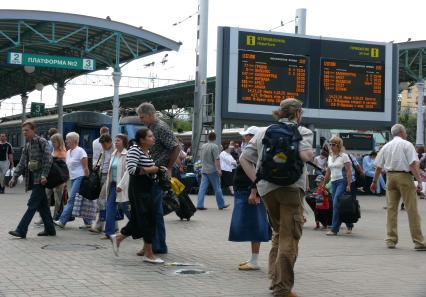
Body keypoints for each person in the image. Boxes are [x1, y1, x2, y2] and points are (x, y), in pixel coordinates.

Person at [239, 98, 313, 297]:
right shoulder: (302, 131)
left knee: (278, 234)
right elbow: (306, 156)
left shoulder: (263, 132)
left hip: (267, 190)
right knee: (290, 236)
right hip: (290, 189)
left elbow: (244, 158)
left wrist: (257, 181)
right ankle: (282, 289)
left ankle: (275, 279)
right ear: (297, 113)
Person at [110, 128, 165, 264]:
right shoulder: (135, 150)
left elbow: (146, 169)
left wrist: (158, 170)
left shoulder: (146, 151)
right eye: (150, 136)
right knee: (147, 220)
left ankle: (118, 238)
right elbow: (132, 170)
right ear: (142, 140)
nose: (153, 138)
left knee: (140, 219)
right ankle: (148, 253)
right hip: (138, 190)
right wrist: (153, 169)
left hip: (147, 188)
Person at [370, 124, 426, 250]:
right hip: (404, 177)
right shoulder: (407, 144)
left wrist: (374, 182)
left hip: (390, 178)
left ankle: (391, 240)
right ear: (402, 132)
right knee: (412, 210)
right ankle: (419, 241)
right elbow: (412, 164)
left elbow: (378, 166)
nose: (406, 134)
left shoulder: (386, 146)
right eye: (405, 132)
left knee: (391, 210)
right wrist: (419, 181)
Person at [137, 102, 180, 254]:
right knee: (152, 210)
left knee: (154, 210)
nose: (141, 120)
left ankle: (157, 245)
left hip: (158, 174)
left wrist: (168, 167)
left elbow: (175, 147)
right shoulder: (150, 128)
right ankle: (152, 244)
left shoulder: (161, 127)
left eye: (142, 117)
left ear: (150, 114)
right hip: (151, 173)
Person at [228, 126, 272, 271]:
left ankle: (254, 260)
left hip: (250, 193)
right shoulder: (251, 151)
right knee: (253, 225)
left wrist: (255, 192)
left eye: (246, 136)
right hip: (245, 192)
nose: (244, 138)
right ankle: (253, 258)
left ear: (252, 137)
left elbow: (258, 174)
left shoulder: (255, 152)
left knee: (256, 225)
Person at [8, 121, 56, 238]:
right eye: (23, 130)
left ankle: (21, 230)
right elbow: (22, 162)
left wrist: (44, 175)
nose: (24, 132)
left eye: (27, 130)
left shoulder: (42, 142)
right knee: (43, 206)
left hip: (41, 180)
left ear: (34, 130)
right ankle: (50, 229)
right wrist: (14, 177)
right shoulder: (28, 145)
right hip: (33, 180)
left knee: (32, 205)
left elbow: (48, 159)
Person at [54, 132, 91, 228]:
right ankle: (88, 223)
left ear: (74, 140)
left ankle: (62, 221)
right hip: (73, 178)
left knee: (72, 200)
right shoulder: (68, 152)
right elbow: (68, 168)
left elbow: (86, 168)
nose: (66, 141)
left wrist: (87, 182)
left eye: (67, 139)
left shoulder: (81, 151)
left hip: (81, 178)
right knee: (81, 200)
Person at [103, 134, 131, 239]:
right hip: (113, 185)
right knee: (109, 208)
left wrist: (121, 185)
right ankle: (109, 233)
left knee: (127, 210)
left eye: (118, 140)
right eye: (115, 140)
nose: (116, 142)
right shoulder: (114, 153)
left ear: (124, 142)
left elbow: (128, 172)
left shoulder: (127, 155)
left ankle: (139, 227)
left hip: (123, 186)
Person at [324, 136, 353, 236]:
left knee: (336, 203)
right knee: (338, 205)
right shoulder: (330, 156)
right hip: (333, 182)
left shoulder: (344, 156)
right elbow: (328, 171)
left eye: (334, 144)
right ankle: (349, 223)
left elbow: (349, 171)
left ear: (338, 145)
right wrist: (323, 184)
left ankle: (334, 229)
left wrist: (349, 184)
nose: (331, 146)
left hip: (342, 181)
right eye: (330, 144)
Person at [196, 132, 229, 210]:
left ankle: (199, 205)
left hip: (204, 169)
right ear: (215, 138)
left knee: (202, 188)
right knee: (217, 188)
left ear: (208, 138)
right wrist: (219, 169)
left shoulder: (203, 146)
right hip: (213, 170)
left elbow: (201, 158)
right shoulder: (214, 146)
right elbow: (216, 159)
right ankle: (221, 205)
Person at [90, 133, 114, 233]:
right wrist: (97, 165)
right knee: (109, 202)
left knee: (101, 200)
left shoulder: (115, 150)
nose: (103, 147)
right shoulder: (103, 150)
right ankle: (113, 225)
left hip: (110, 177)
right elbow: (102, 161)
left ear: (109, 142)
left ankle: (100, 225)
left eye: (104, 144)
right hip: (102, 176)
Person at [46, 133, 67, 221]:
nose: (52, 144)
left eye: (54, 142)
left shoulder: (63, 153)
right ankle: (45, 216)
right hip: (50, 178)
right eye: (52, 142)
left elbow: (64, 168)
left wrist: (65, 181)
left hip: (59, 179)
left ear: (59, 142)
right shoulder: (53, 151)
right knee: (46, 196)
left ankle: (55, 217)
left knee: (57, 199)